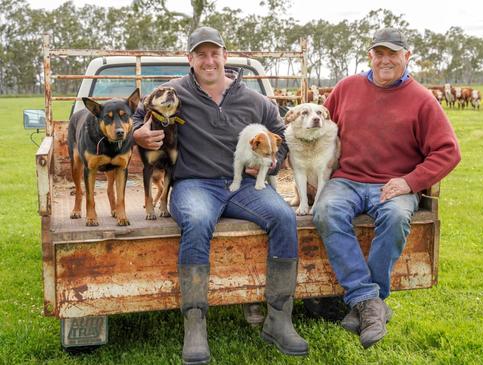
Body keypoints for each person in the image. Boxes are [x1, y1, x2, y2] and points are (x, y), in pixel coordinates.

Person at [133, 26, 308, 364]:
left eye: (215, 53)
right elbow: (139, 117)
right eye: (201, 54)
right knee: (197, 220)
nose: (209, 60)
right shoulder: (173, 92)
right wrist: (140, 135)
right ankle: (195, 324)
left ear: (226, 57)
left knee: (284, 216)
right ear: (190, 59)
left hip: (242, 186)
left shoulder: (254, 100)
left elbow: (282, 137)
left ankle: (279, 318)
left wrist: (271, 165)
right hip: (194, 183)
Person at [313, 28, 461, 349]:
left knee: (395, 217)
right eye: (379, 53)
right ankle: (371, 301)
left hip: (394, 184)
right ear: (370, 56)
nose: (385, 60)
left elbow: (449, 151)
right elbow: (323, 128)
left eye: (393, 54)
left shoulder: (422, 100)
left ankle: (364, 303)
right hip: (347, 179)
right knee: (325, 210)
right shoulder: (347, 88)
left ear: (407, 57)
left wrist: (409, 182)